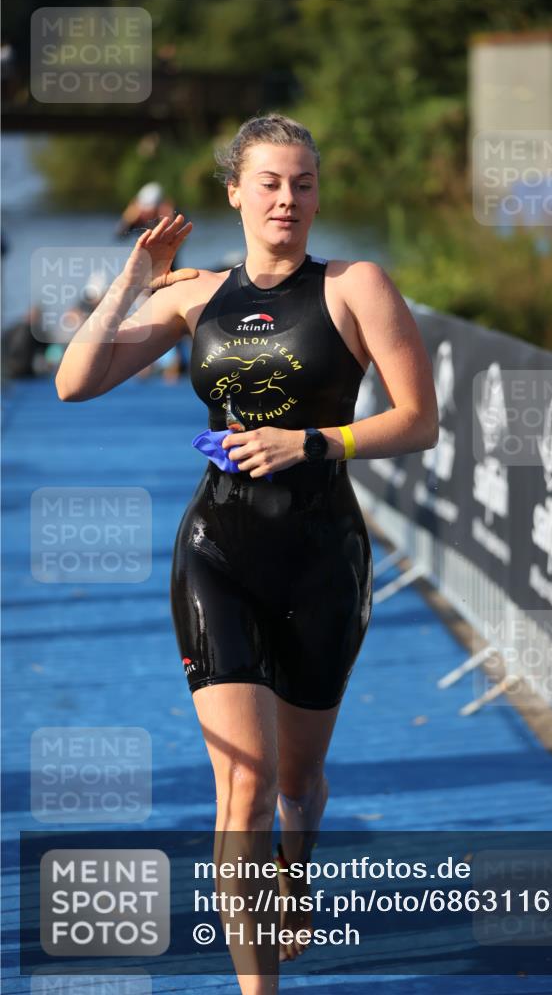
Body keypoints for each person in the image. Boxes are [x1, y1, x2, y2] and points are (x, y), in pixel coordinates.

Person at [54, 112, 438, 991]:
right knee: (246, 788)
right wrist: (130, 282)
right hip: (216, 552)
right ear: (234, 191)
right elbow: (75, 383)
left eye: (302, 184)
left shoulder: (354, 286)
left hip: (321, 558)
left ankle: (292, 873)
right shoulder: (195, 296)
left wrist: (316, 442)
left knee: (300, 783)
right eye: (268, 182)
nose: (286, 199)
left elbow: (418, 420)